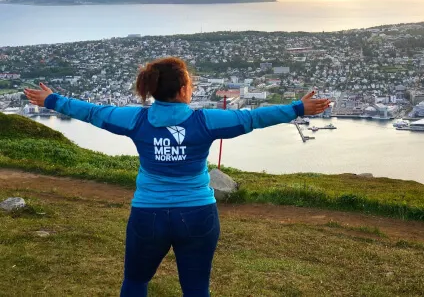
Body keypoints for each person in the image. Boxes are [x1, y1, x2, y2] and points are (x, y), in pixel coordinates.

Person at [24, 57, 330, 297]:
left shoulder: (135, 119)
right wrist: (297, 108)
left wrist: (52, 101)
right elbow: (252, 118)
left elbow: (93, 112)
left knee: (135, 282)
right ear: (183, 89)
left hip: (148, 216)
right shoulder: (205, 120)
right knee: (196, 289)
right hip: (198, 214)